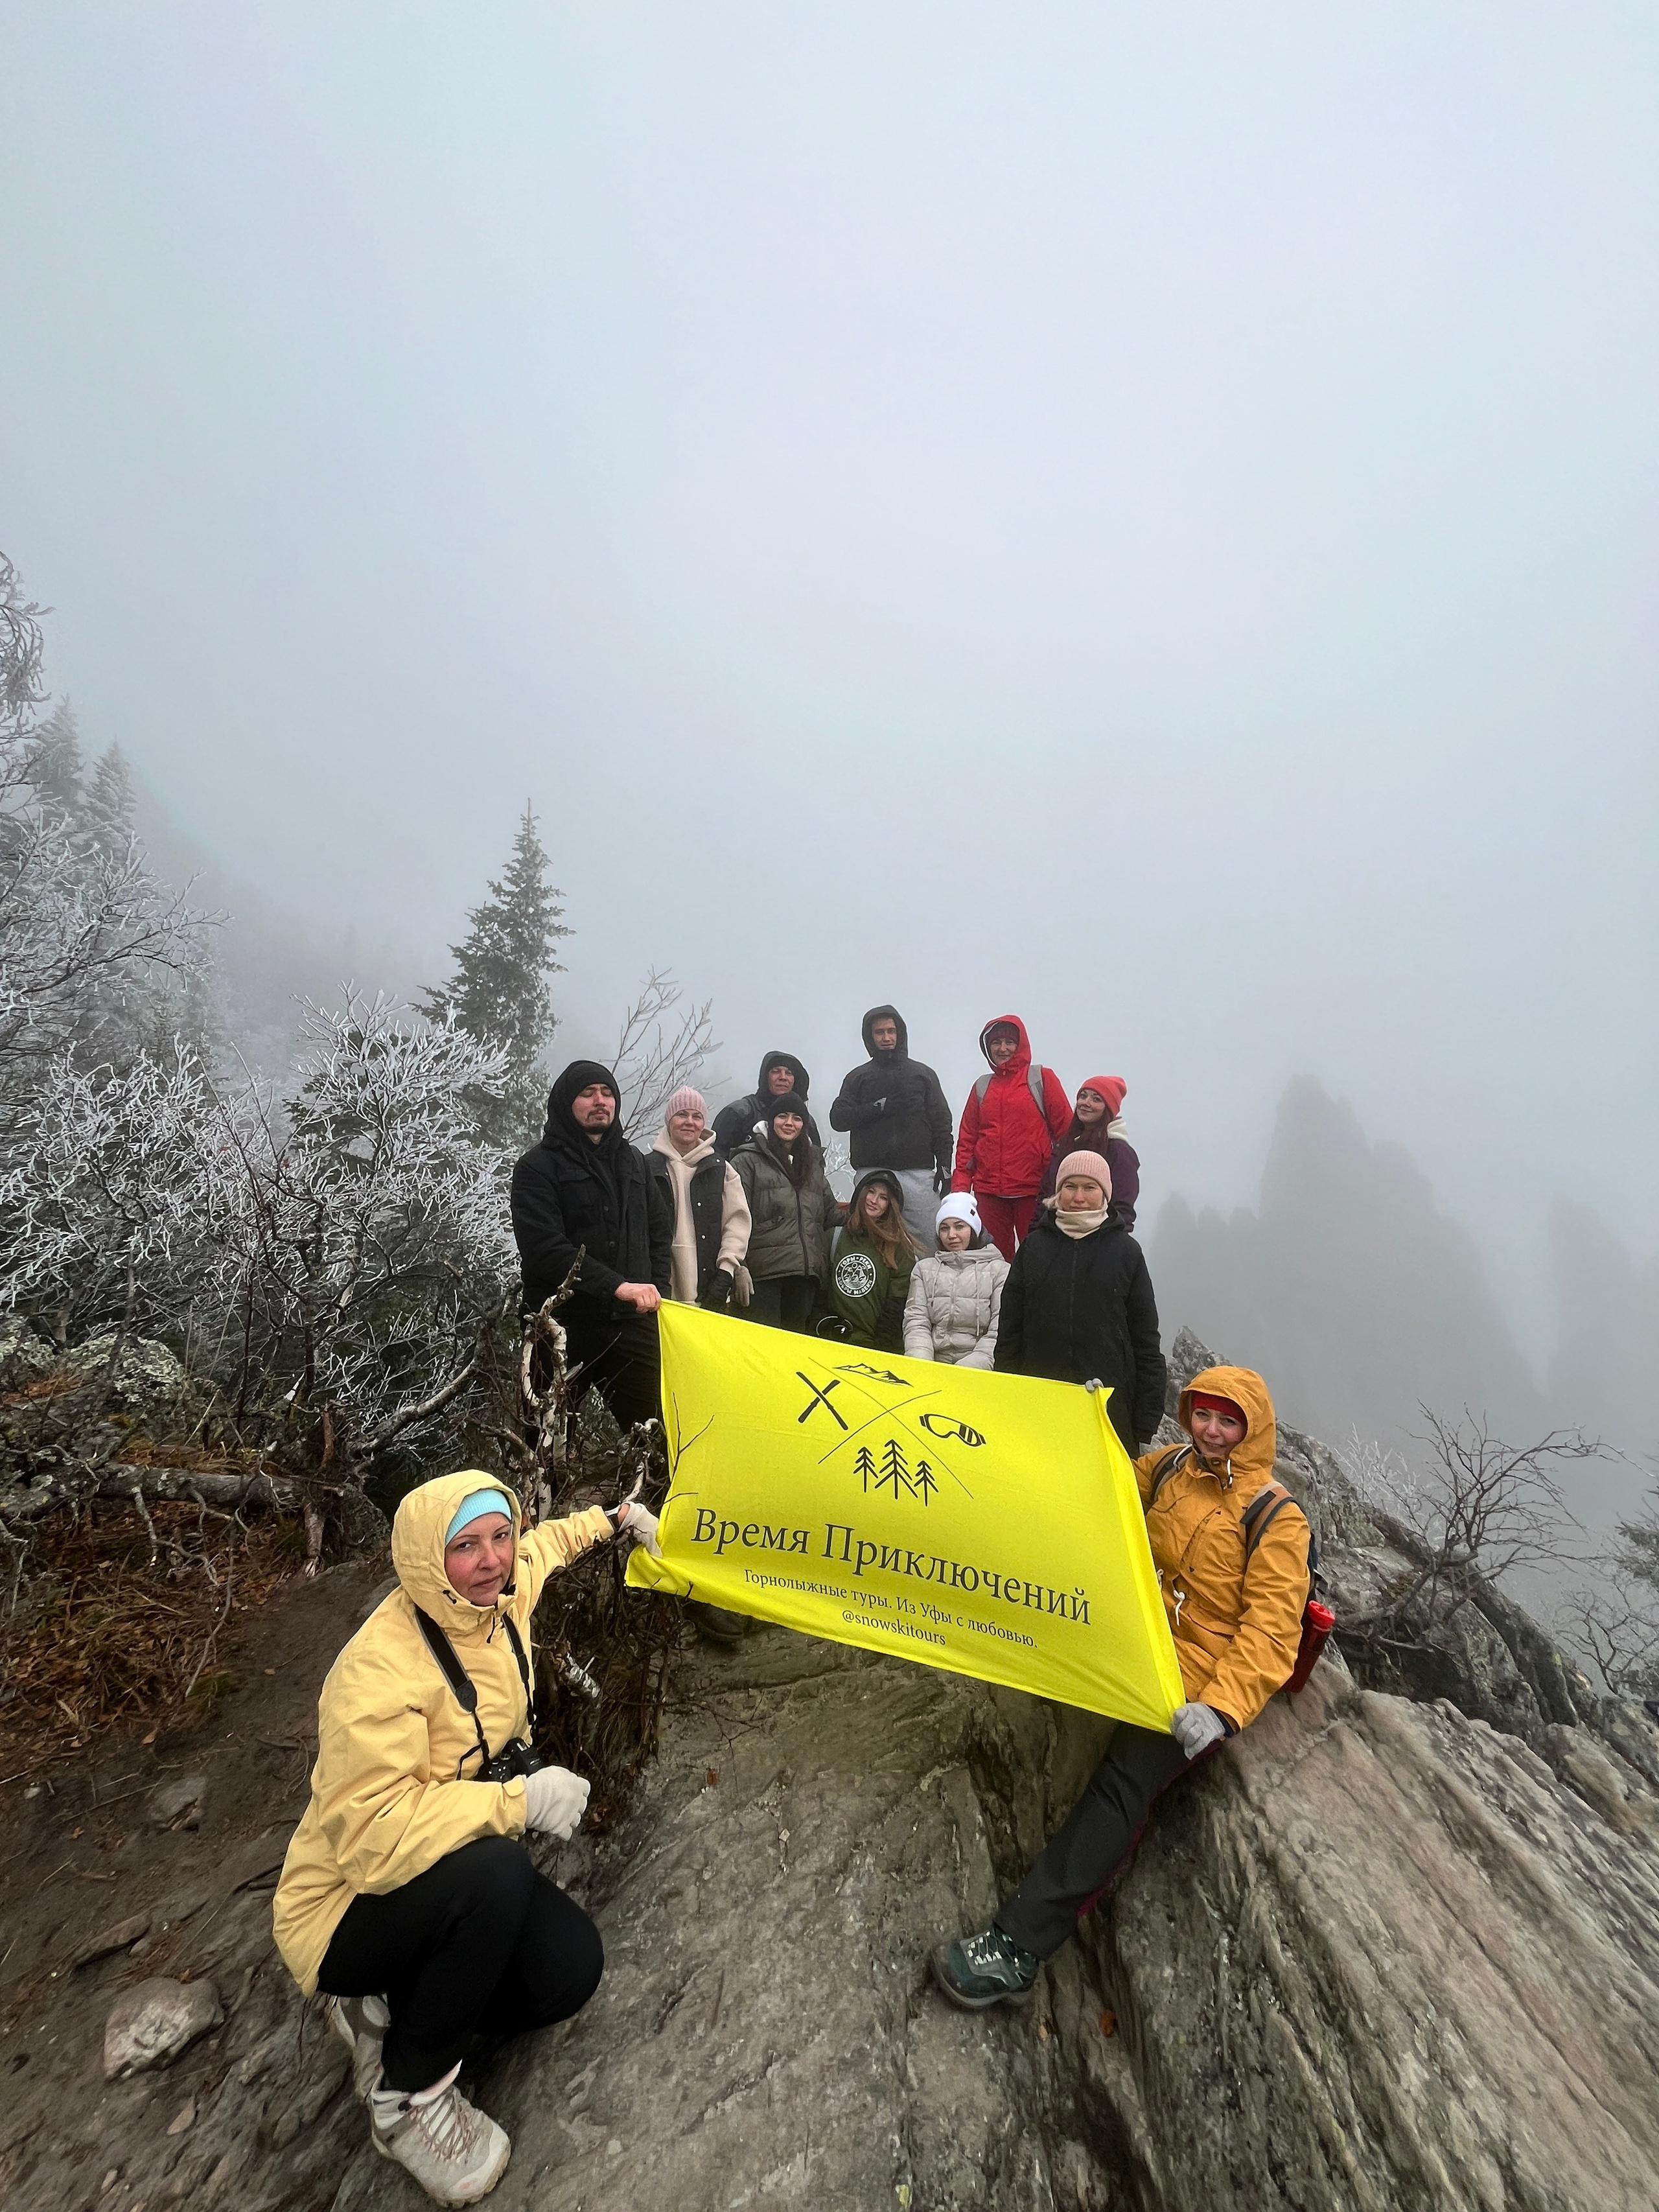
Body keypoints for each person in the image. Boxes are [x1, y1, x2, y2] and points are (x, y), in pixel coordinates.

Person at [273, 1469, 662, 2202]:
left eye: (498, 1537)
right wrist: (517, 1801)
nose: (491, 1559)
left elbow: (549, 1544)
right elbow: (372, 1839)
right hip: (340, 1910)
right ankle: (405, 2094)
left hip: (429, 1879)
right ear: (428, 1560)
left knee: (568, 1971)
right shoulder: (375, 1672)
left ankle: (394, 2008)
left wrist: (616, 1519)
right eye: (465, 1546)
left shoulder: (501, 1596)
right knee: (498, 1874)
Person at [932, 1366, 1310, 2010]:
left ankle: (1018, 1949)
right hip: (1132, 1636)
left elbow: (1272, 1626)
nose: (1211, 1431)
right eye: (1202, 1415)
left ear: (1252, 1431)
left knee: (1120, 1788)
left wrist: (1220, 1708)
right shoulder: (1170, 1466)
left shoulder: (1276, 1516)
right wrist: (1080, 1424)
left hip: (1193, 1676)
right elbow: (1101, 1482)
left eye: (1227, 1421)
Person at [509, 1060, 673, 1431]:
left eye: (607, 1093)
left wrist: (655, 1290)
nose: (600, 1101)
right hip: (560, 1327)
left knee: (659, 1441)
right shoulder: (537, 1167)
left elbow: (660, 1233)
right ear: (567, 1103)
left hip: (631, 1327)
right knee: (543, 1445)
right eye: (588, 1093)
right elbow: (544, 1248)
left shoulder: (635, 1162)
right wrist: (617, 1286)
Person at [992, 1150, 1165, 1458]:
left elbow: (1145, 1339)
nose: (1079, 1197)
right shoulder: (1034, 1248)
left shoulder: (1126, 1252)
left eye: (1090, 1188)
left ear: (1105, 1194)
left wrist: (1144, 1420)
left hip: (1109, 1412)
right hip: (1040, 1406)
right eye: (1070, 1187)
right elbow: (1010, 1331)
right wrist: (1008, 1396)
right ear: (1058, 1192)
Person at [828, 1005, 955, 1253]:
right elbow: (838, 1119)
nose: (886, 1038)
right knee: (870, 1243)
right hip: (872, 1174)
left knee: (931, 1243)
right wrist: (879, 1107)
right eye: (879, 1033)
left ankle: (930, 1290)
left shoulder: (923, 1075)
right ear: (870, 1037)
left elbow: (942, 1124)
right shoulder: (858, 1077)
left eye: (891, 1031)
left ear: (900, 1034)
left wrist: (945, 1165)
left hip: (919, 1175)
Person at [951, 1015, 1071, 1260]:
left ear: (1021, 1044)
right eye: (996, 1043)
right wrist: (961, 1193)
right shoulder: (982, 1087)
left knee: (1039, 1259)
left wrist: (1063, 1184)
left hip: (1034, 1191)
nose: (1003, 1049)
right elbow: (967, 1143)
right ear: (988, 1047)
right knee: (995, 1262)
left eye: (1009, 1042)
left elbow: (1066, 1134)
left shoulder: (1042, 1079)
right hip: (989, 1193)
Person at [730, 1091, 842, 1333]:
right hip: (763, 1276)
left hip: (806, 1275)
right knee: (763, 1351)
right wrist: (739, 1267)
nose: (789, 1123)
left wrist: (872, 1214)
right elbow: (733, 1217)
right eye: (782, 1116)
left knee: (794, 1356)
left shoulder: (812, 1165)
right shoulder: (747, 1160)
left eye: (797, 1118)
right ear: (771, 1121)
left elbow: (830, 1213)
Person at [647, 1086, 752, 1310]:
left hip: (710, 1286)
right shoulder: (646, 1168)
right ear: (669, 1120)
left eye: (697, 1116)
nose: (689, 1122)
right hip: (657, 1286)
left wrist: (728, 1270)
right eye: (682, 1114)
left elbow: (737, 1224)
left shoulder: (721, 1169)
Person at [903, 1192, 1009, 1368]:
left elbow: (999, 1330)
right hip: (931, 1365)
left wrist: (966, 1370)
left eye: (959, 1226)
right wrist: (922, 1365)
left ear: (974, 1230)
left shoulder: (999, 1271)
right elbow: (916, 1323)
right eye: (944, 1228)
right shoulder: (924, 1269)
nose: (951, 1235)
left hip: (978, 1370)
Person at [824, 1167, 919, 1350]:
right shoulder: (835, 1237)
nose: (874, 1201)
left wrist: (881, 1347)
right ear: (861, 1194)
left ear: (891, 1205)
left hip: (873, 1347)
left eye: (883, 1197)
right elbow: (820, 1293)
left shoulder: (901, 1249)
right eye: (871, 1192)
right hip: (831, 1341)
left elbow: (897, 1306)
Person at [1037, 1075, 1141, 1228]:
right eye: (1083, 1096)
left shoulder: (1119, 1152)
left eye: (1096, 1099)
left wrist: (1106, 1241)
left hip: (1099, 1240)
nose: (1086, 1103)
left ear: (1109, 1108)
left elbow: (1123, 1209)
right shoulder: (1065, 1145)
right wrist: (1036, 1233)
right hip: (1055, 1236)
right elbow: (1046, 1195)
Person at [710, 1051, 822, 1160]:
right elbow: (715, 1159)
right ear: (765, 1077)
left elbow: (816, 1166)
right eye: (776, 1071)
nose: (783, 1077)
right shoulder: (739, 1113)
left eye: (789, 1073)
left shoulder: (806, 1121)